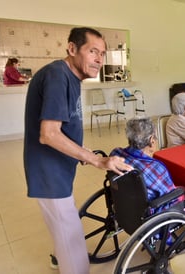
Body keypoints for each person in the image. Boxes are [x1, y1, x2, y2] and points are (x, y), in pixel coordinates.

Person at [23, 27, 133, 274]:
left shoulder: (70, 77)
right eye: (92, 51)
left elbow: (62, 126)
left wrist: (79, 150)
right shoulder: (57, 76)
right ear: (72, 49)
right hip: (49, 172)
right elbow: (49, 133)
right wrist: (95, 159)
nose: (99, 59)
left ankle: (59, 256)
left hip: (58, 168)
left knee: (63, 227)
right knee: (71, 235)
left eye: (102, 53)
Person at [111, 117, 185, 214]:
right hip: (158, 211)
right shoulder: (154, 168)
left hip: (128, 205)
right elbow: (172, 196)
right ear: (151, 140)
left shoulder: (115, 154)